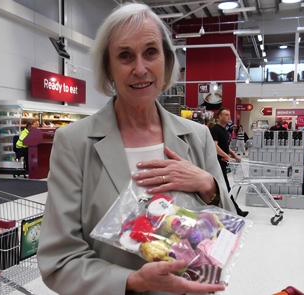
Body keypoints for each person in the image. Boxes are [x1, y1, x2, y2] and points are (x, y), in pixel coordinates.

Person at [37, 3, 233, 295]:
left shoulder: (197, 137)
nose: (140, 69)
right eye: (125, 56)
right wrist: (131, 282)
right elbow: (59, 259)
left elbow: (225, 235)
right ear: (109, 67)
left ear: (166, 61)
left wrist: (208, 185)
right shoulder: (75, 143)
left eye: (151, 52)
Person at [209, 108, 249, 218]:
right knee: (225, 186)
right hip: (217, 163)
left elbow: (225, 147)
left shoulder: (224, 130)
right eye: (226, 114)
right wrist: (226, 156)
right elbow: (214, 146)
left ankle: (230, 209)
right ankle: (236, 210)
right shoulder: (215, 129)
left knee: (224, 186)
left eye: (229, 114)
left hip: (223, 162)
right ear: (219, 117)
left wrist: (234, 155)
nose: (229, 116)